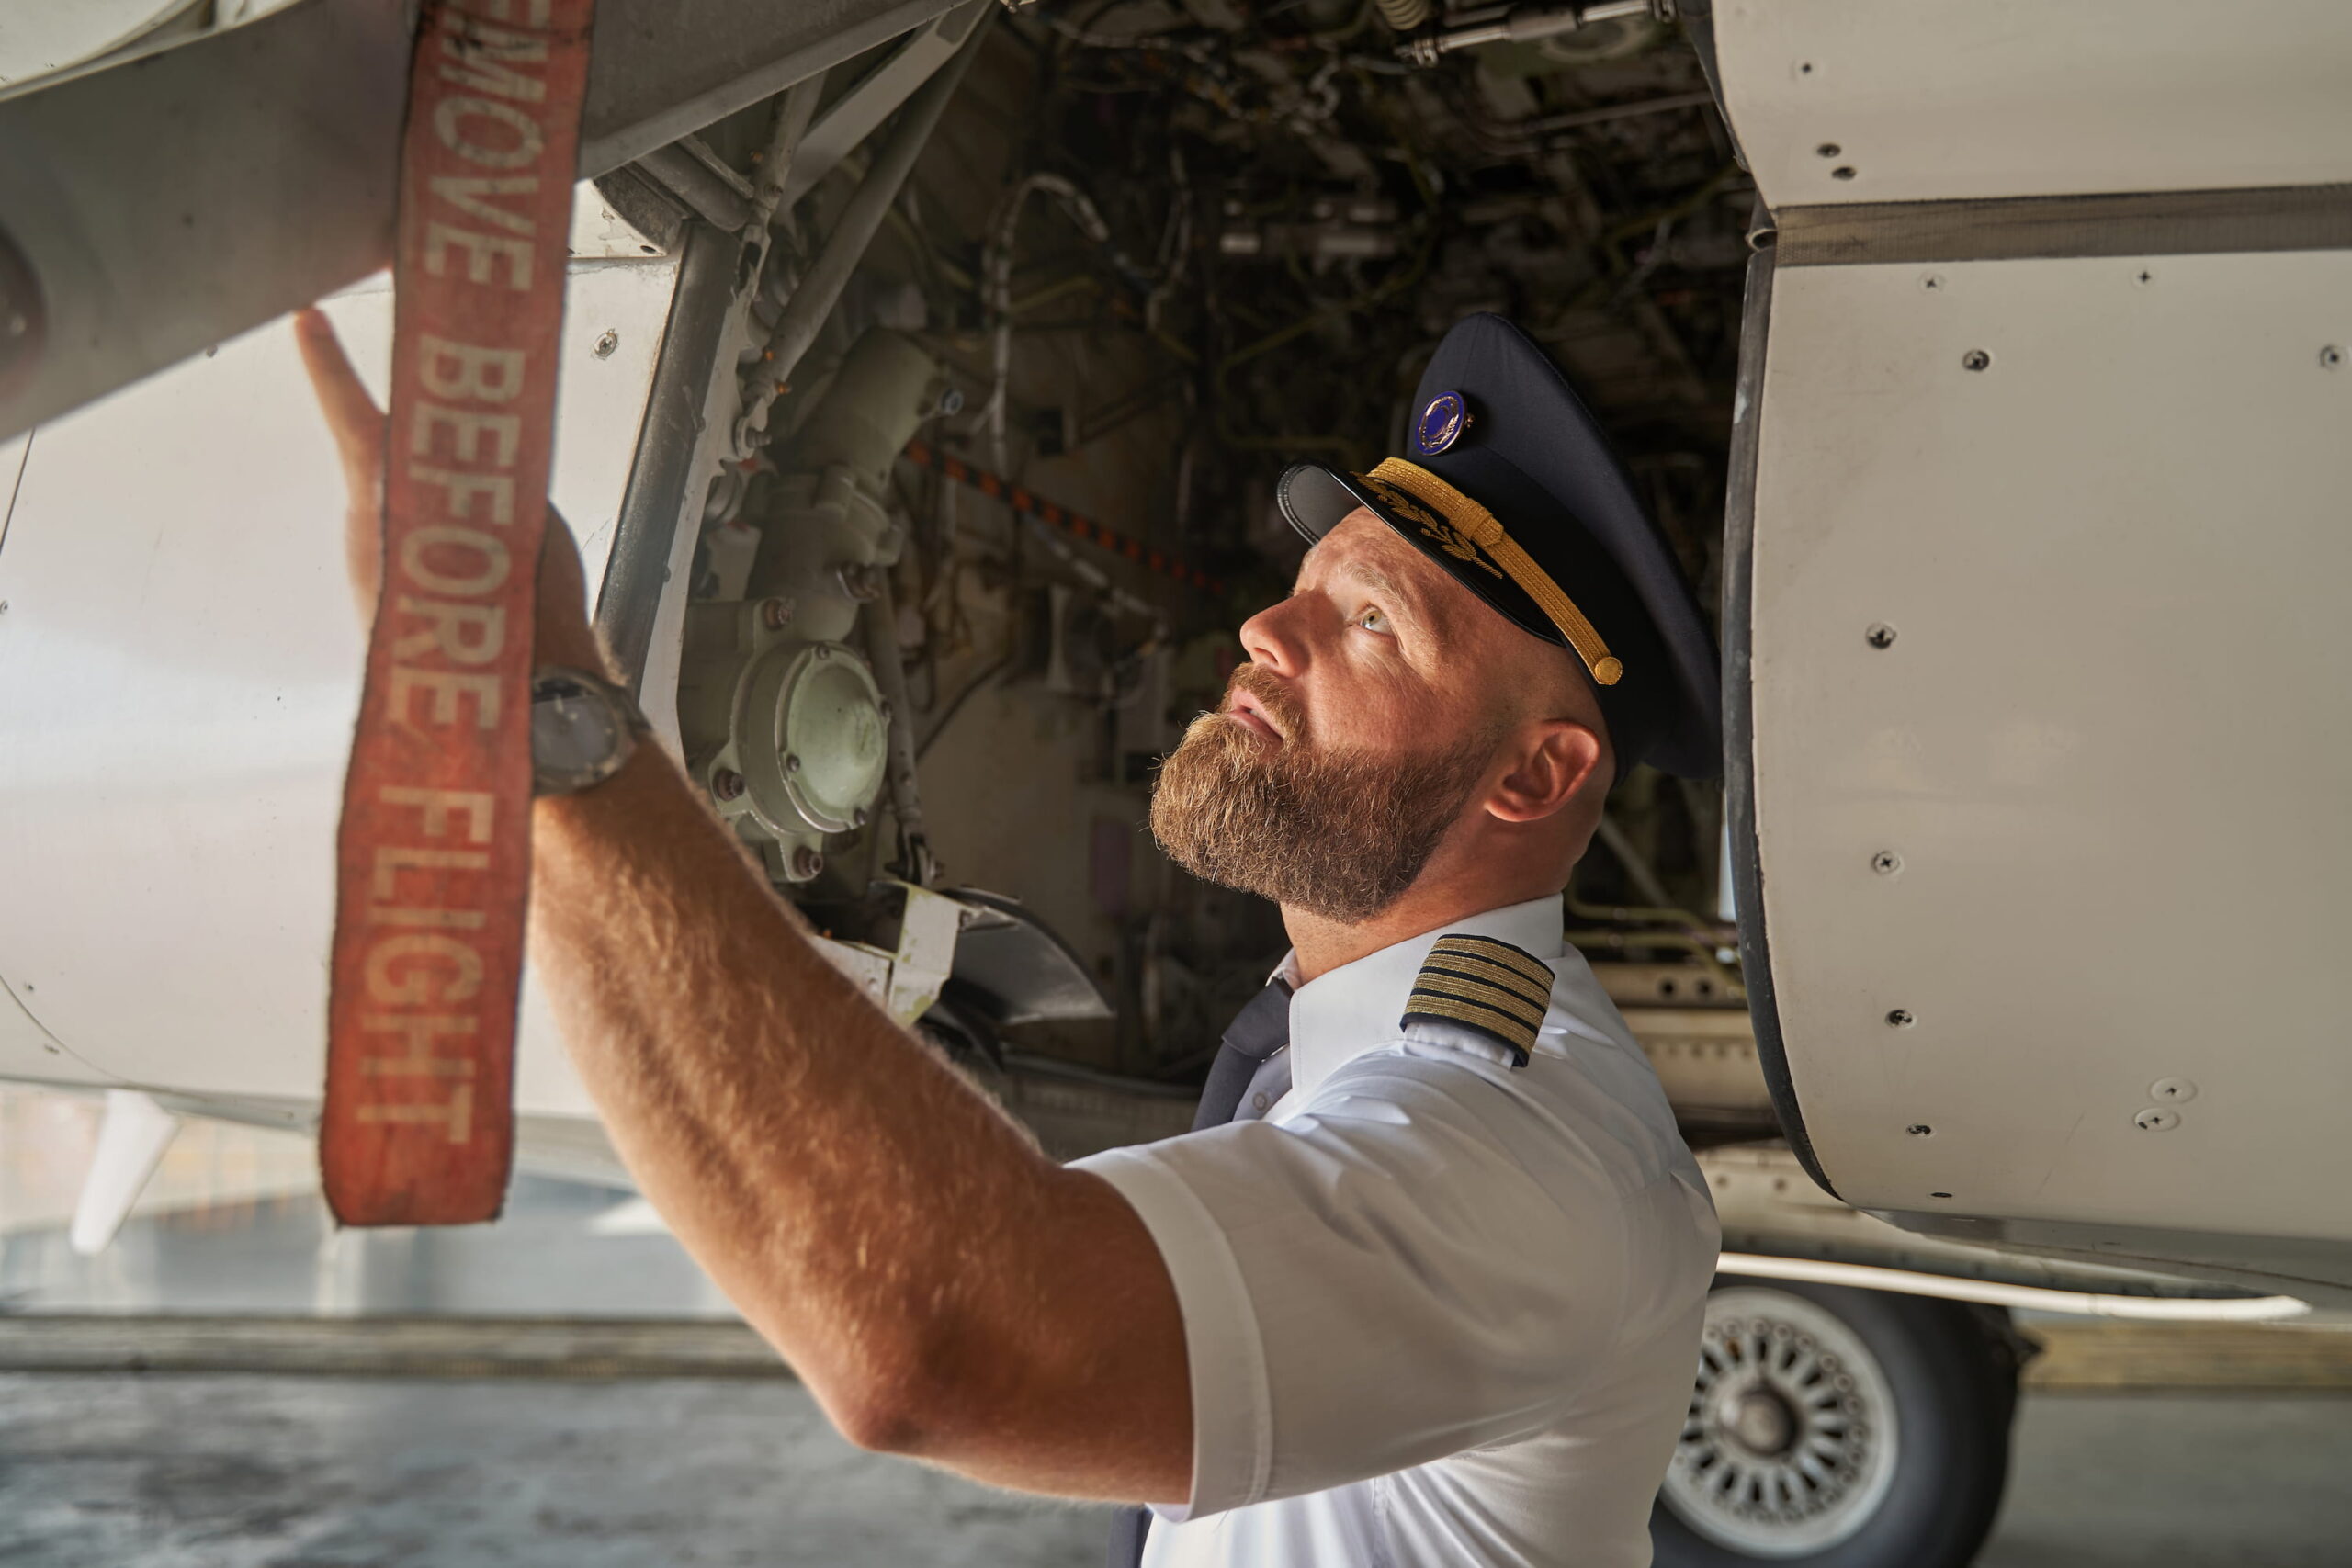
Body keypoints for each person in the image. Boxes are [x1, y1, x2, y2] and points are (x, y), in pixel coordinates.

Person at [297, 305, 1722, 1567]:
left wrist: (540, 702)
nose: (1267, 630)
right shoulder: (1355, 1040)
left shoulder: (1527, 1156)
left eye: (1369, 622)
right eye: (1308, 582)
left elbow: (941, 1339)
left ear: (1531, 779)